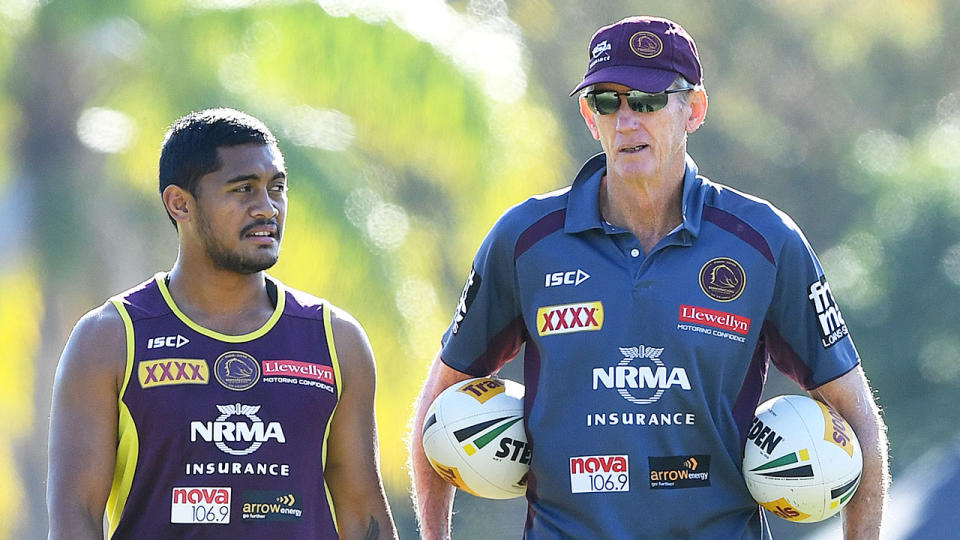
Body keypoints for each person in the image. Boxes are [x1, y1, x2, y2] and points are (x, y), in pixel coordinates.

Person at [409, 15, 889, 539]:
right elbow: (440, 402)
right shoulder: (525, 240)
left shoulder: (765, 241)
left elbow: (857, 419)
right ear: (590, 117)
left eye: (647, 100)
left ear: (694, 109)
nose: (626, 120)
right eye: (607, 102)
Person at [47, 108, 398, 539]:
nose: (267, 208)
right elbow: (75, 513)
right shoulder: (111, 338)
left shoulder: (334, 339)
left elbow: (363, 513)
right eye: (243, 190)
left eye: (276, 189)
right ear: (180, 203)